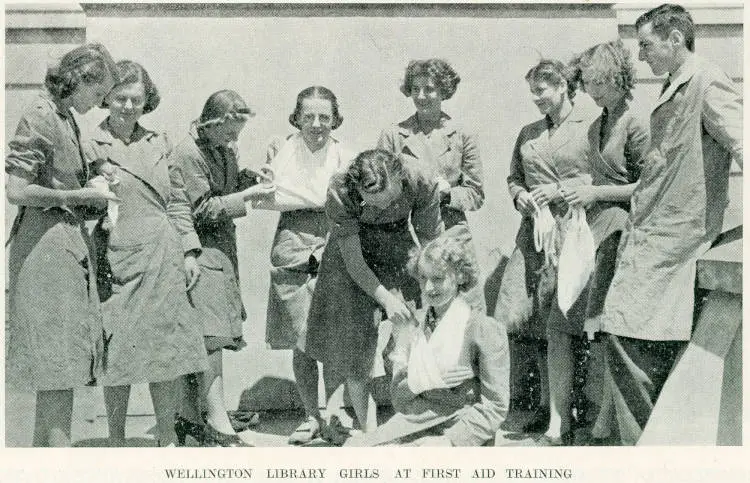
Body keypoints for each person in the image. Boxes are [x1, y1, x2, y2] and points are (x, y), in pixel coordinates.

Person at [594, 4, 742, 445]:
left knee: (627, 340)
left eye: (646, 45)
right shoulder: (675, 84)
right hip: (654, 243)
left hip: (674, 246)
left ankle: (650, 457)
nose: (641, 57)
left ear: (675, 38)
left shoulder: (706, 80)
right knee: (633, 343)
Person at [84, 60, 209, 447]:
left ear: (146, 100)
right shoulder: (90, 144)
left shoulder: (160, 142)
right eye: (120, 98)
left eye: (135, 99)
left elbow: (177, 202)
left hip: (163, 254)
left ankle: (167, 435)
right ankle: (116, 438)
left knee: (165, 349)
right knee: (118, 349)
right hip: (116, 256)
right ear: (106, 98)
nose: (127, 106)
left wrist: (189, 250)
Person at [534, 40, 650, 445]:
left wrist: (597, 193)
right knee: (561, 323)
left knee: (602, 328)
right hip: (589, 231)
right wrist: (572, 188)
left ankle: (604, 421)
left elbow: (649, 186)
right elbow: (598, 180)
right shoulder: (597, 123)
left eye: (600, 82)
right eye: (588, 82)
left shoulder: (635, 123)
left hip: (621, 233)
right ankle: (558, 419)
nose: (593, 90)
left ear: (620, 77)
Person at [5, 43, 118, 447]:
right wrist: (79, 197)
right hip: (45, 252)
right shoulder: (41, 114)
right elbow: (15, 190)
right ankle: (57, 461)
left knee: (62, 366)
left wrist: (95, 188)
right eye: (98, 92)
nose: (101, 102)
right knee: (56, 365)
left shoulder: (64, 116)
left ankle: (48, 460)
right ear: (79, 81)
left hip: (63, 244)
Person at [305, 149, 444, 441]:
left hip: (396, 246)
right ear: (357, 191)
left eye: (392, 200)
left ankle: (410, 419)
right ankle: (369, 433)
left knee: (410, 335)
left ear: (400, 180)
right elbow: (354, 261)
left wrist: (429, 290)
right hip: (350, 257)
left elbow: (431, 243)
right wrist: (385, 298)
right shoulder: (340, 190)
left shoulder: (421, 179)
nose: (385, 207)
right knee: (356, 348)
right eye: (374, 203)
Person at [172, 90, 276, 446]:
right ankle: (217, 423)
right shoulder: (188, 153)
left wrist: (250, 178)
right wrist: (245, 199)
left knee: (204, 339)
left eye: (239, 132)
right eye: (230, 131)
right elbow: (198, 209)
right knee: (209, 340)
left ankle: (189, 417)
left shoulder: (220, 149)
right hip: (199, 253)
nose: (236, 139)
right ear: (212, 123)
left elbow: (225, 187)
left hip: (221, 253)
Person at [495, 59, 592, 438]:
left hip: (572, 232)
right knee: (530, 319)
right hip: (534, 235)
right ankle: (544, 407)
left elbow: (601, 175)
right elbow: (513, 178)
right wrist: (519, 195)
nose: (536, 98)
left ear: (564, 86)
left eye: (543, 90)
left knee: (565, 320)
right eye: (532, 91)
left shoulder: (589, 128)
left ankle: (567, 413)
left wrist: (559, 190)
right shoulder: (528, 132)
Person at [254, 86, 352, 444]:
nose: (316, 124)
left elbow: (348, 202)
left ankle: (335, 415)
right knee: (303, 338)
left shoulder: (345, 155)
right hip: (293, 243)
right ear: (296, 118)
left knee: (336, 335)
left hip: (334, 241)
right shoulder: (282, 151)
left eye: (324, 117)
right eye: (308, 116)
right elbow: (266, 197)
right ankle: (310, 415)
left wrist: (296, 195)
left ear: (334, 119)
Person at [347, 235, 509, 447]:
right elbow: (399, 400)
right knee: (353, 450)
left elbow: (495, 406)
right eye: (423, 278)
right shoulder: (415, 325)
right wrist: (422, 379)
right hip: (415, 420)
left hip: (462, 426)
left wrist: (449, 442)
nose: (429, 288)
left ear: (460, 275)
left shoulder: (483, 329)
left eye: (438, 278)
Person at [378, 58, 485, 311]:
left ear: (444, 90)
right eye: (415, 89)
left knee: (465, 316)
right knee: (413, 319)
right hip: (408, 238)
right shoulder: (393, 135)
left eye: (429, 89)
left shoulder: (462, 135)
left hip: (452, 236)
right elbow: (378, 190)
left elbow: (476, 193)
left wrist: (447, 194)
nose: (421, 96)